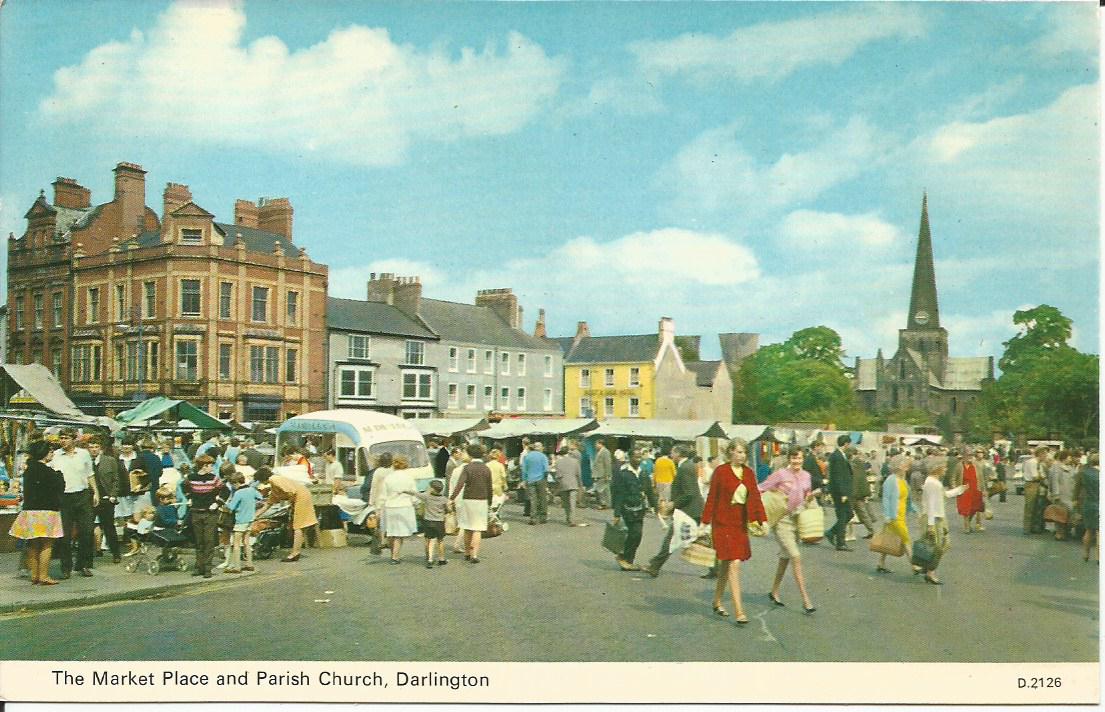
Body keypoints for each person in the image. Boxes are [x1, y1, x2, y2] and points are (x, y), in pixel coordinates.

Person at [701, 438, 766, 624]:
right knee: (734, 563)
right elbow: (712, 498)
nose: (742, 456)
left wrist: (762, 520)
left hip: (739, 523)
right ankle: (739, 611)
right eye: (738, 452)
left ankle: (717, 601)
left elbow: (755, 498)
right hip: (722, 523)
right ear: (730, 453)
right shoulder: (721, 472)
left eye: (744, 452)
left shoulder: (748, 473)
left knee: (726, 565)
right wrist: (705, 522)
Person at [758, 447, 818, 612]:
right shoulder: (780, 474)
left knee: (785, 557)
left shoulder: (807, 476)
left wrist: (811, 496)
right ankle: (806, 600)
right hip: (782, 520)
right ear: (789, 459)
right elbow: (761, 487)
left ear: (803, 459)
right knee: (795, 556)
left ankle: (774, 591)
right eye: (793, 458)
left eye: (799, 458)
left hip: (798, 519)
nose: (796, 461)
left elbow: (807, 494)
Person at [8, 440, 64, 585]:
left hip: (30, 511)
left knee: (32, 544)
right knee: (47, 544)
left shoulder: (29, 469)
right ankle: (44, 575)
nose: (53, 454)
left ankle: (34, 575)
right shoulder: (49, 471)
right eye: (51, 451)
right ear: (44, 453)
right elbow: (60, 488)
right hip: (47, 511)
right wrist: (58, 473)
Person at [644, 445, 703, 578]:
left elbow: (689, 493)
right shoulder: (688, 465)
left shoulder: (685, 468)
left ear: (678, 453)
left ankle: (655, 566)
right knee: (698, 539)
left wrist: (673, 504)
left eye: (672, 452)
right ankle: (716, 567)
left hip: (689, 511)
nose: (671, 455)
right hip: (693, 510)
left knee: (671, 539)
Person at [52, 428, 98, 579]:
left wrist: (96, 492)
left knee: (87, 531)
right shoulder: (56, 455)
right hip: (64, 497)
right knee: (64, 534)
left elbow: (90, 474)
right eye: (61, 438)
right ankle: (66, 567)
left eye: (66, 438)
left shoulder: (84, 454)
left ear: (73, 439)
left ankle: (83, 564)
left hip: (82, 495)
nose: (63, 441)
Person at [254, 466, 318, 562]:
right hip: (302, 495)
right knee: (300, 526)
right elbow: (269, 503)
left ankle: (295, 553)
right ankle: (296, 551)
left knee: (298, 526)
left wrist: (290, 502)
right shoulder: (275, 482)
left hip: (300, 498)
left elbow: (291, 491)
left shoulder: (274, 480)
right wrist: (256, 515)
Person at [610, 448, 658, 572]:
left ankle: (625, 558)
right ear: (629, 458)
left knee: (636, 535)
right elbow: (619, 494)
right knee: (635, 533)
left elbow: (649, 492)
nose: (638, 460)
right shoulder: (623, 474)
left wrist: (655, 507)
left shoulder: (643, 473)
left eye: (639, 457)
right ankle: (626, 559)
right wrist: (617, 513)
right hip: (628, 509)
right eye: (636, 457)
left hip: (640, 509)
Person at [919, 463, 967, 585]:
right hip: (934, 517)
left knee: (941, 544)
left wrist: (960, 489)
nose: (946, 470)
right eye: (944, 467)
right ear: (937, 468)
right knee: (940, 545)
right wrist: (930, 525)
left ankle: (928, 567)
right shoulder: (932, 483)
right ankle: (930, 571)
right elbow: (930, 504)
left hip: (937, 516)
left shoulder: (934, 482)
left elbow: (944, 495)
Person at [184, 454, 228, 578]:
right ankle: (199, 566)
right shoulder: (191, 478)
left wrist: (217, 503)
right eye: (210, 466)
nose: (212, 468)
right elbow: (185, 487)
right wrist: (189, 498)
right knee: (199, 541)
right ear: (204, 466)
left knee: (208, 540)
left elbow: (225, 491)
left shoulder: (214, 478)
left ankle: (207, 568)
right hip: (196, 512)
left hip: (210, 513)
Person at [449, 444, 493, 563]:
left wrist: (452, 498)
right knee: (477, 528)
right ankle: (474, 555)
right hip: (481, 500)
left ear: (470, 454)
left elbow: (460, 484)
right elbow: (489, 487)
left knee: (467, 527)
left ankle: (467, 552)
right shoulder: (486, 468)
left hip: (468, 499)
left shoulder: (467, 468)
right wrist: (490, 501)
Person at [876, 456, 917, 575]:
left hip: (902, 514)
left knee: (888, 538)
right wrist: (887, 515)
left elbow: (907, 498)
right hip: (894, 516)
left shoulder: (903, 480)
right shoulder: (891, 480)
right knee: (905, 538)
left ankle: (881, 562)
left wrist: (914, 509)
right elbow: (886, 498)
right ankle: (914, 565)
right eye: (905, 465)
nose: (907, 467)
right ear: (898, 466)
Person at [88, 437, 125, 564]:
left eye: (96, 447)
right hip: (89, 499)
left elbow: (116, 479)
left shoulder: (109, 461)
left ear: (101, 448)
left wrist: (113, 495)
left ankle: (116, 553)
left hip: (106, 499)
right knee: (88, 527)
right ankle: (89, 555)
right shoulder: (85, 461)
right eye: (91, 447)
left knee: (109, 527)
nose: (93, 450)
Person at [376, 456, 418, 564]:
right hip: (404, 506)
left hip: (389, 506)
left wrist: (379, 508)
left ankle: (393, 554)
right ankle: (395, 556)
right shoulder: (409, 477)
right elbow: (414, 494)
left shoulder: (388, 478)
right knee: (400, 533)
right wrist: (415, 504)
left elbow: (383, 495)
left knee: (391, 532)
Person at [825, 434, 854, 551]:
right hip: (840, 492)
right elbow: (838, 476)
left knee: (848, 514)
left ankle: (832, 532)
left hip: (842, 490)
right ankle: (840, 542)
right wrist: (843, 493)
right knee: (843, 515)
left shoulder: (839, 455)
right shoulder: (837, 456)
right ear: (846, 443)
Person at [413, 479, 449, 568]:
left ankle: (429, 559)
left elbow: (414, 493)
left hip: (428, 521)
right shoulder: (444, 499)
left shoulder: (426, 496)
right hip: (439, 522)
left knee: (429, 540)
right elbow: (448, 510)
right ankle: (441, 559)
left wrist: (404, 491)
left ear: (432, 489)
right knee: (440, 541)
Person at [1074, 453, 1098, 563]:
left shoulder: (1083, 473)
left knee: (1088, 530)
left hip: (1088, 504)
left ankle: (1086, 554)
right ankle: (1099, 557)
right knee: (1099, 532)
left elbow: (1077, 489)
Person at [849, 447, 877, 539]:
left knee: (847, 512)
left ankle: (842, 532)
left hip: (854, 492)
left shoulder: (853, 464)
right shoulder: (861, 463)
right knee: (862, 512)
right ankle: (871, 530)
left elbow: (855, 480)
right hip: (860, 491)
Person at [956, 449, 987, 534]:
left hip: (975, 490)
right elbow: (953, 478)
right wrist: (955, 488)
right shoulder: (959, 465)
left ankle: (969, 522)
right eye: (968, 455)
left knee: (974, 509)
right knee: (966, 509)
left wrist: (983, 490)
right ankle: (966, 526)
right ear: (964, 456)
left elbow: (981, 478)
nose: (970, 457)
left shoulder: (976, 465)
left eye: (971, 455)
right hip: (964, 490)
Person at [555, 445, 585, 527]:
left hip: (563, 484)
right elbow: (578, 474)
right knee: (572, 502)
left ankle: (568, 518)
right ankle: (572, 520)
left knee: (566, 503)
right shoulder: (575, 461)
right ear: (568, 452)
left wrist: (559, 483)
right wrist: (580, 485)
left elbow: (558, 475)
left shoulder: (558, 462)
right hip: (573, 483)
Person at [1022, 447, 1050, 534]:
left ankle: (1034, 526)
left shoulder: (1040, 464)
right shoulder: (1032, 463)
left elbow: (1042, 475)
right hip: (1031, 484)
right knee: (1030, 506)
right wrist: (1042, 477)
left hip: (1038, 484)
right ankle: (1027, 528)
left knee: (1037, 507)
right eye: (1045, 454)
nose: (1046, 456)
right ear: (1040, 454)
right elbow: (1036, 476)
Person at [522, 442, 550, 525]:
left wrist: (524, 480)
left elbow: (524, 470)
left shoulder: (527, 456)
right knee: (542, 498)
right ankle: (543, 517)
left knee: (533, 499)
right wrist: (545, 479)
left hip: (530, 479)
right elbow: (546, 470)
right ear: (540, 448)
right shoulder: (543, 456)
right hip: (541, 479)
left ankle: (533, 518)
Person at [591, 439, 613, 510]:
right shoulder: (599, 452)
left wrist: (608, 474)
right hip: (599, 474)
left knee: (601, 490)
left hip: (603, 474)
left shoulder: (605, 452)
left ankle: (605, 504)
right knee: (603, 490)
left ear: (601, 444)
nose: (595, 446)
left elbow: (607, 464)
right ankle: (605, 503)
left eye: (596, 444)